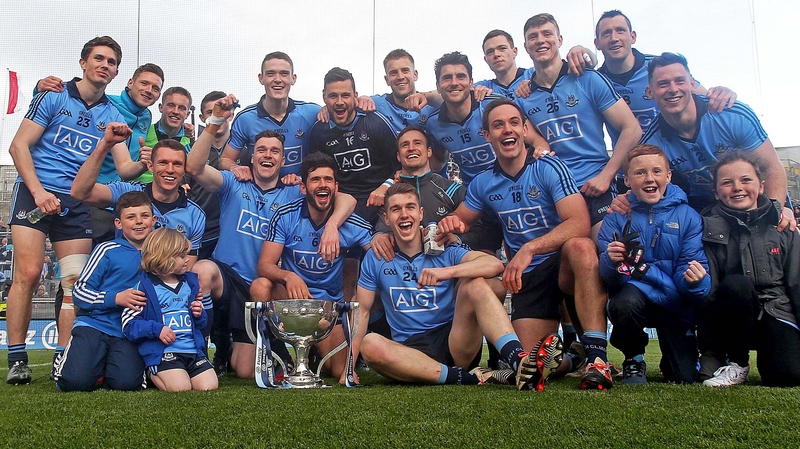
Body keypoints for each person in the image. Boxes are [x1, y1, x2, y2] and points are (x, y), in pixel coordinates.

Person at [438, 98, 614, 390]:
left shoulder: (549, 167)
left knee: (581, 246)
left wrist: (529, 248)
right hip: (529, 277)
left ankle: (598, 360)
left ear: (524, 128)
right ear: (487, 136)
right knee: (528, 364)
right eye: (497, 125)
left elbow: (579, 222)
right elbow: (461, 220)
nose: (507, 130)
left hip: (561, 265)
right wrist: (447, 225)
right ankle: (573, 359)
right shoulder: (483, 183)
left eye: (513, 123)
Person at [5, 36, 149, 384]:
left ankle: (64, 355)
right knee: (28, 273)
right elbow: (18, 146)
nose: (105, 65)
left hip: (75, 202)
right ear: (83, 62)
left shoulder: (112, 114)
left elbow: (125, 167)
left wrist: (144, 162)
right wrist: (39, 192)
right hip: (34, 194)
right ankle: (17, 357)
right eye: (99, 59)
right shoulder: (53, 95)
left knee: (72, 282)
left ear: (116, 73)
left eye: (112, 62)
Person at [186, 94, 355, 379]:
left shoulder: (294, 190)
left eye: (274, 151)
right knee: (200, 271)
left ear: (283, 158)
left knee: (244, 370)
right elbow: (194, 168)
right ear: (251, 156)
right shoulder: (232, 182)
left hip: (264, 284)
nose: (267, 155)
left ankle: (278, 350)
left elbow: (346, 199)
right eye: (261, 150)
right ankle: (195, 354)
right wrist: (215, 121)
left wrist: (332, 225)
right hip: (228, 275)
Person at [354, 183, 556, 390]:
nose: (404, 214)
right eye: (396, 209)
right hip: (408, 350)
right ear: (386, 218)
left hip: (453, 341)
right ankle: (472, 378)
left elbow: (494, 264)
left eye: (410, 207)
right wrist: (349, 368)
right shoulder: (377, 257)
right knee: (370, 344)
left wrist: (446, 272)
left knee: (476, 284)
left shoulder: (443, 247)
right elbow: (362, 310)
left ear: (421, 213)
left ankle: (519, 361)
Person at [514, 13, 642, 238]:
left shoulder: (587, 79)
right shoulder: (523, 96)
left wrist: (606, 175)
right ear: (526, 47)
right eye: (533, 37)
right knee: (565, 260)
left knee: (607, 251)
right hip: (553, 191)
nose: (541, 40)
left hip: (594, 184)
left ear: (560, 39)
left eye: (547, 34)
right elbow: (529, 138)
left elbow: (632, 129)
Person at [636, 53, 794, 230]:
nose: (673, 89)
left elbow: (771, 168)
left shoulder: (732, 115)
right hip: (708, 212)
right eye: (663, 84)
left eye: (679, 81)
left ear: (692, 83)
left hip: (758, 201)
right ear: (650, 92)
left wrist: (776, 212)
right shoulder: (652, 145)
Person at [251, 152, 372, 379]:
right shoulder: (286, 215)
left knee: (340, 371)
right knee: (260, 286)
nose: (322, 185)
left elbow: (377, 256)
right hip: (294, 302)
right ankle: (280, 359)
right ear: (304, 187)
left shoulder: (351, 222)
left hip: (329, 311)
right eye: (315, 180)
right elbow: (264, 265)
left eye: (328, 180)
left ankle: (316, 354)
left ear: (336, 187)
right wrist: (288, 276)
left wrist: (381, 239)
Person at [597, 144, 710, 384]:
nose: (649, 178)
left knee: (684, 377)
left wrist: (696, 281)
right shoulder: (615, 216)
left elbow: (690, 266)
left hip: (674, 300)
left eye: (657, 171)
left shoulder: (689, 216)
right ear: (626, 180)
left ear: (668, 176)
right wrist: (610, 260)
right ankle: (633, 359)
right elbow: (609, 278)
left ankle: (674, 359)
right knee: (623, 303)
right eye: (640, 173)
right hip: (635, 294)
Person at [699, 152, 800, 387]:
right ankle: (736, 363)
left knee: (787, 377)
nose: (737, 188)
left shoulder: (784, 227)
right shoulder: (707, 230)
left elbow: (796, 284)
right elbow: (710, 292)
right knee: (736, 284)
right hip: (730, 315)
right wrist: (709, 347)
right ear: (716, 192)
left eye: (746, 180)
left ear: (761, 186)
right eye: (727, 182)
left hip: (776, 311)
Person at [565, 10, 736, 148]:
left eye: (620, 30)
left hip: (672, 163)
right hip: (628, 170)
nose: (614, 38)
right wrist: (578, 49)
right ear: (597, 43)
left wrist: (721, 92)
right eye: (606, 33)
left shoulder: (659, 69)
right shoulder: (597, 81)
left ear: (632, 37)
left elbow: (702, 98)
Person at [36, 62, 165, 244]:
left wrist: (144, 164)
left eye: (155, 88)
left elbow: (125, 168)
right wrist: (39, 88)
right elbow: (76, 100)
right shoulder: (107, 104)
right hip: (90, 192)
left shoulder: (146, 117)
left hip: (118, 197)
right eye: (144, 83)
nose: (149, 90)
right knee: (85, 257)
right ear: (130, 83)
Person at [309, 67, 399, 302]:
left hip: (378, 199)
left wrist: (385, 186)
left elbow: (401, 165)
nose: (339, 102)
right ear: (324, 97)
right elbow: (313, 171)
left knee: (384, 258)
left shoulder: (374, 122)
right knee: (346, 264)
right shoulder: (319, 130)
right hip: (345, 204)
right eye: (333, 96)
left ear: (356, 96)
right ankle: (342, 319)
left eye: (345, 95)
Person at [54, 191, 155, 391]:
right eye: (131, 217)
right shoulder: (106, 250)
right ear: (118, 223)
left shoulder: (159, 254)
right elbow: (79, 292)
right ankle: (71, 364)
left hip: (130, 331)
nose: (139, 222)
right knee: (75, 383)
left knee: (127, 384)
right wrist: (115, 298)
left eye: (144, 216)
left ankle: (106, 368)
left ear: (154, 220)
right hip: (95, 325)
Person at [71, 138, 206, 270]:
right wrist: (105, 145)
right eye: (163, 162)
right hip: (122, 279)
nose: (170, 169)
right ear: (150, 166)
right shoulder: (128, 192)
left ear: (184, 170)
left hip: (163, 287)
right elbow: (80, 192)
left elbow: (186, 268)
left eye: (177, 164)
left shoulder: (195, 214)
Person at [122, 228, 218, 392]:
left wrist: (199, 313)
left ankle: (184, 371)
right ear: (164, 258)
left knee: (209, 386)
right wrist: (157, 330)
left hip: (192, 350)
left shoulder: (191, 284)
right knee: (180, 388)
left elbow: (201, 324)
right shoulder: (144, 287)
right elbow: (128, 325)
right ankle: (152, 372)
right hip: (164, 353)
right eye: (182, 256)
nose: (187, 260)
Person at [220, 51, 320, 178]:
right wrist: (236, 168)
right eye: (270, 74)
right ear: (261, 78)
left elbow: (340, 114)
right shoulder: (245, 119)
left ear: (293, 79)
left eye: (284, 74)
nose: (277, 80)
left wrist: (351, 105)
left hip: (299, 191)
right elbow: (224, 160)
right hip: (260, 192)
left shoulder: (311, 112)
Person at [191, 90, 230, 260]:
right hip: (200, 232)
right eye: (211, 112)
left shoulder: (245, 150)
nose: (218, 116)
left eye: (222, 111)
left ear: (231, 114)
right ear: (201, 117)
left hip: (232, 232)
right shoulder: (192, 151)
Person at [139, 87, 194, 183]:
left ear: (187, 114)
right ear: (161, 107)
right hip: (140, 192)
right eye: (171, 105)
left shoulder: (191, 142)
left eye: (181, 108)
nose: (176, 111)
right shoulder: (143, 132)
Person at [476, 30, 535, 100]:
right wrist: (474, 92)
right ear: (486, 60)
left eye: (502, 48)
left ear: (514, 52)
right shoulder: (483, 88)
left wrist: (537, 82)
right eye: (490, 52)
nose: (496, 54)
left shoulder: (534, 74)